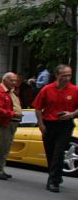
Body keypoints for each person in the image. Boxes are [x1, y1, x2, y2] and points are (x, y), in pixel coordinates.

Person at [33, 64, 78, 193]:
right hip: (49, 124)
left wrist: (72, 114)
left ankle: (53, 181)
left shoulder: (74, 90)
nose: (67, 78)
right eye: (64, 75)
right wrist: (41, 124)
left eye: (69, 75)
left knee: (59, 152)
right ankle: (56, 176)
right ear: (57, 75)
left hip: (65, 125)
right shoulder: (47, 89)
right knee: (50, 153)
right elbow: (38, 108)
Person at [0, 72, 22, 180]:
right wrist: (13, 114)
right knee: (0, 147)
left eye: (15, 80)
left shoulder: (10, 91)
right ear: (5, 80)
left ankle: (0, 169)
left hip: (10, 122)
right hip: (3, 122)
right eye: (12, 80)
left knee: (5, 147)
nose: (14, 83)